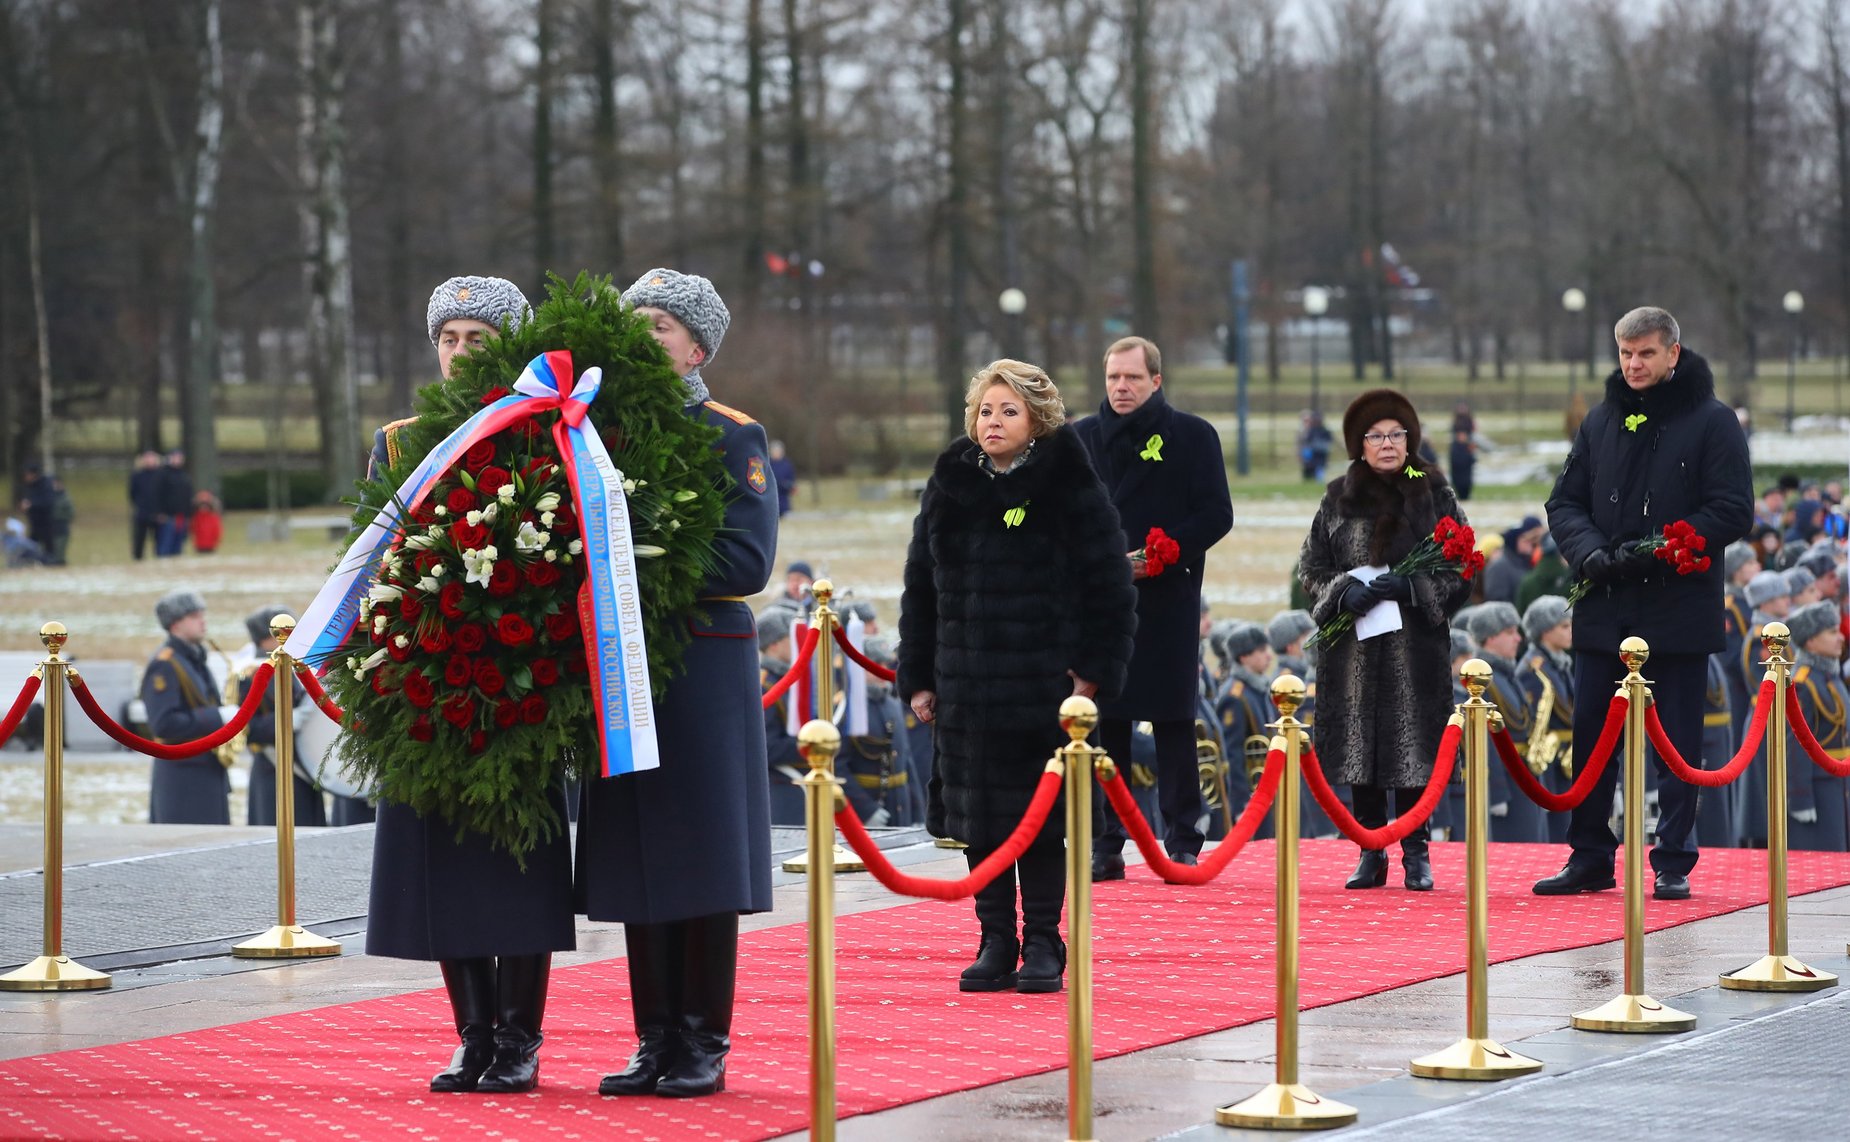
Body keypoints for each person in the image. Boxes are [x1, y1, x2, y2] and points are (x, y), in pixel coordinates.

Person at [363, 274, 569, 1097]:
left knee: (515, 863)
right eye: (448, 339)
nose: (457, 353)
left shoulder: (540, 429)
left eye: (476, 339)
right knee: (441, 863)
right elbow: (371, 551)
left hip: (518, 676)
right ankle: (473, 1034)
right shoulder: (399, 439)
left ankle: (520, 1038)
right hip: (426, 675)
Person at [577, 268, 778, 1099]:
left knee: (698, 857)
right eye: (635, 323)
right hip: (619, 670)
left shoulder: (731, 434)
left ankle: (704, 1039)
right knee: (637, 855)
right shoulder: (593, 433)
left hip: (698, 661)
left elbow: (747, 559)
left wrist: (641, 558)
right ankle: (652, 1037)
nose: (644, 337)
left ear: (696, 347)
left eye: (659, 325)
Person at [898, 358, 1137, 995]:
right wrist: (918, 676)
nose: (994, 421)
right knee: (980, 821)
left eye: (1008, 410)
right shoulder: (950, 482)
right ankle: (994, 938)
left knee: (1037, 824)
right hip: (966, 689)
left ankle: (1043, 941)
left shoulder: (1067, 483)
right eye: (985, 409)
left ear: (1037, 420)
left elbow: (1109, 586)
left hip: (1041, 689)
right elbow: (920, 585)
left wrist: (1091, 673)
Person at [1536, 307, 1753, 899]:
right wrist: (1590, 553)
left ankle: (1674, 858)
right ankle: (1589, 855)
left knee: (1676, 741)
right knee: (1592, 740)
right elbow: (1565, 503)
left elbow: (1733, 509)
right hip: (1605, 604)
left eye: (1646, 354)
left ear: (1673, 353)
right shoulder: (1603, 418)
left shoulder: (1713, 422)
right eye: (1626, 354)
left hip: (1676, 608)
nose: (1634, 365)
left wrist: (1656, 550)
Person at [1298, 388, 1471, 891]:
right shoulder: (1337, 497)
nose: (1387, 444)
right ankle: (1369, 851)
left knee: (1412, 749)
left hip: (1413, 648)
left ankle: (1416, 853)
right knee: (1361, 749)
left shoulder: (1435, 495)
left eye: (1396, 434)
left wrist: (1414, 588)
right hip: (1352, 646)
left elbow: (1461, 566)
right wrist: (1340, 591)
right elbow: (1311, 567)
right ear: (1360, 443)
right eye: (1376, 436)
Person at [1077, 336, 1234, 880]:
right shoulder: (1080, 438)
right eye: (1114, 378)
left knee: (1171, 718)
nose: (1122, 387)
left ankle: (1184, 836)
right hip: (1102, 599)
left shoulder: (1191, 436)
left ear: (1156, 381)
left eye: (1133, 379)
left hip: (1167, 596)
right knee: (1105, 722)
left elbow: (1216, 513)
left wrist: (1160, 555)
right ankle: (1106, 841)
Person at [141, 590, 240, 825]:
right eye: (195, 615)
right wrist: (218, 716)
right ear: (175, 623)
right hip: (183, 780)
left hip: (205, 771)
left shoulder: (193, 658)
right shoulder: (165, 664)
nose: (203, 620)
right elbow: (164, 724)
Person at [236, 604, 325, 828]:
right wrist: (288, 719)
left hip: (302, 767)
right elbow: (249, 728)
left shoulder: (289, 663)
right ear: (266, 638)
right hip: (272, 767)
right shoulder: (250, 673)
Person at [1469, 602, 1548, 843]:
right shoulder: (1483, 679)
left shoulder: (1506, 676)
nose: (1518, 639)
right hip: (1506, 780)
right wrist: (1497, 791)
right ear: (1490, 637)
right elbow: (1484, 740)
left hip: (1524, 775)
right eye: (1510, 632)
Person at [1783, 602, 1848, 851]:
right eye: (1831, 632)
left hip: (1839, 783)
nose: (1840, 637)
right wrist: (1800, 798)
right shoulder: (1803, 683)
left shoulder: (1830, 676)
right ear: (1810, 641)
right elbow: (1795, 745)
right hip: (1819, 788)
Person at [1519, 596, 1576, 844]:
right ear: (1545, 630)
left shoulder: (1560, 664)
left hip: (1566, 756)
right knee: (1555, 828)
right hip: (1550, 760)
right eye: (1564, 626)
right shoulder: (1535, 670)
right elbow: (1533, 722)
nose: (1571, 631)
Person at [758, 607, 805, 826]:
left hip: (802, 786)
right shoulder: (765, 684)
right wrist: (808, 745)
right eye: (790, 637)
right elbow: (765, 747)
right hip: (782, 790)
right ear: (775, 644)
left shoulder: (791, 680)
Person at [1481, 516, 1544, 605]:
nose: (1529, 541)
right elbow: (1496, 600)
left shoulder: (1527, 563)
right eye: (1524, 539)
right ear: (1514, 541)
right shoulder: (1498, 567)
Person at [157, 451, 193, 556]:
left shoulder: (184, 475)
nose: (177, 460)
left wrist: (188, 513)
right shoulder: (163, 474)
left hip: (182, 515)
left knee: (179, 542)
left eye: (179, 458)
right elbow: (157, 494)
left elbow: (187, 495)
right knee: (166, 543)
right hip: (168, 515)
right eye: (175, 457)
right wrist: (160, 512)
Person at [130, 451, 164, 560]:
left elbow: (164, 494)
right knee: (139, 538)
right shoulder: (137, 475)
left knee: (158, 539)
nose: (149, 460)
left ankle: (159, 558)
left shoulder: (161, 475)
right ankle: (138, 558)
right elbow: (132, 494)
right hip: (142, 512)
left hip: (157, 512)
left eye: (152, 458)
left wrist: (161, 511)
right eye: (147, 458)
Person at [16, 462, 54, 553]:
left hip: (45, 522)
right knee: (31, 545)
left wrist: (31, 505)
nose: (25, 477)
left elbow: (47, 502)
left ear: (33, 474)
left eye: (27, 474)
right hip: (34, 523)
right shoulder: (30, 487)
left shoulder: (45, 485)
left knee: (49, 546)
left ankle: (53, 561)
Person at [1297, 410, 1333, 482]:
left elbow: (1329, 441)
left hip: (1321, 454)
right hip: (1312, 455)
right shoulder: (1311, 431)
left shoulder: (1325, 431)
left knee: (1319, 469)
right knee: (1309, 469)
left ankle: (1318, 480)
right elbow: (1306, 442)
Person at [768, 439, 796, 517]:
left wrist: (789, 485)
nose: (776, 453)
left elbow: (792, 480)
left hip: (783, 498)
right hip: (771, 497)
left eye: (778, 450)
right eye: (774, 450)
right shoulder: (767, 464)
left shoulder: (787, 464)